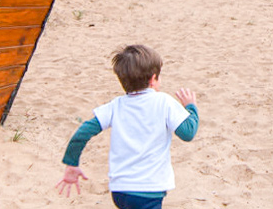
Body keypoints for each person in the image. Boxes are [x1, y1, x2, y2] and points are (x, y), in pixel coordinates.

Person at [56, 45, 200, 209]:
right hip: (149, 189)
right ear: (153, 79)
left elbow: (82, 133)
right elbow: (188, 132)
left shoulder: (115, 106)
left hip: (120, 190)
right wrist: (191, 108)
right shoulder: (164, 102)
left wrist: (72, 163)